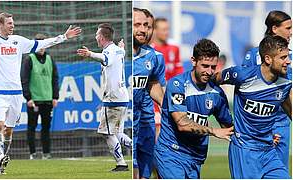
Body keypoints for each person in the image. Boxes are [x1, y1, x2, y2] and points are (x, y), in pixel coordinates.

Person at [0, 12, 81, 175]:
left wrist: (63, 37)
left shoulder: (18, 41)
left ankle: (3, 160)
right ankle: (0, 156)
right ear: (0, 25)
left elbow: (41, 43)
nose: (12, 26)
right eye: (9, 23)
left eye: (13, 23)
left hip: (16, 94)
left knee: (9, 130)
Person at [153, 39, 234, 179]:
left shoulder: (217, 93)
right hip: (171, 153)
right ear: (193, 61)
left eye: (213, 67)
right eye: (205, 66)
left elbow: (229, 127)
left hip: (195, 158)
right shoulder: (178, 85)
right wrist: (214, 131)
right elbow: (182, 123)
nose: (209, 72)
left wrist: (262, 137)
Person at [214, 35, 291, 179]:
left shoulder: (285, 82)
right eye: (283, 57)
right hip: (244, 150)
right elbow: (213, 80)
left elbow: (290, 109)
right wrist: (222, 115)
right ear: (268, 59)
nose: (288, 61)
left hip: (269, 150)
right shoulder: (242, 75)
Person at [77, 23, 132, 172]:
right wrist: (122, 48)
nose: (95, 37)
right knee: (117, 132)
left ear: (101, 37)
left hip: (114, 99)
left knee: (106, 133)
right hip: (119, 97)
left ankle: (121, 163)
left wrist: (90, 54)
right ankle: (137, 149)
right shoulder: (118, 51)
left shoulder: (110, 52)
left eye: (96, 35)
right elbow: (118, 54)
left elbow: (105, 59)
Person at [242, 10, 292, 169]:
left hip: (281, 122)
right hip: (257, 123)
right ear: (274, 29)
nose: (291, 32)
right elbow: (243, 89)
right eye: (288, 28)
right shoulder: (253, 55)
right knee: (254, 171)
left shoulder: (290, 57)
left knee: (278, 170)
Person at [132, 8, 166, 179]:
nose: (143, 29)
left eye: (146, 25)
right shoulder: (115, 55)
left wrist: (169, 108)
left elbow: (153, 85)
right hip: (124, 122)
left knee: (146, 172)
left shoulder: (154, 57)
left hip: (145, 121)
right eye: (137, 24)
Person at [21, 33, 59, 160]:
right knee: (32, 127)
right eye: (39, 44)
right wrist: (28, 98)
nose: (42, 47)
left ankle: (46, 153)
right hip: (34, 101)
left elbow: (55, 79)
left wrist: (55, 97)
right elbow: (24, 80)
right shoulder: (29, 59)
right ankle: (32, 153)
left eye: (44, 44)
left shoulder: (50, 59)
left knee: (46, 128)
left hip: (47, 100)